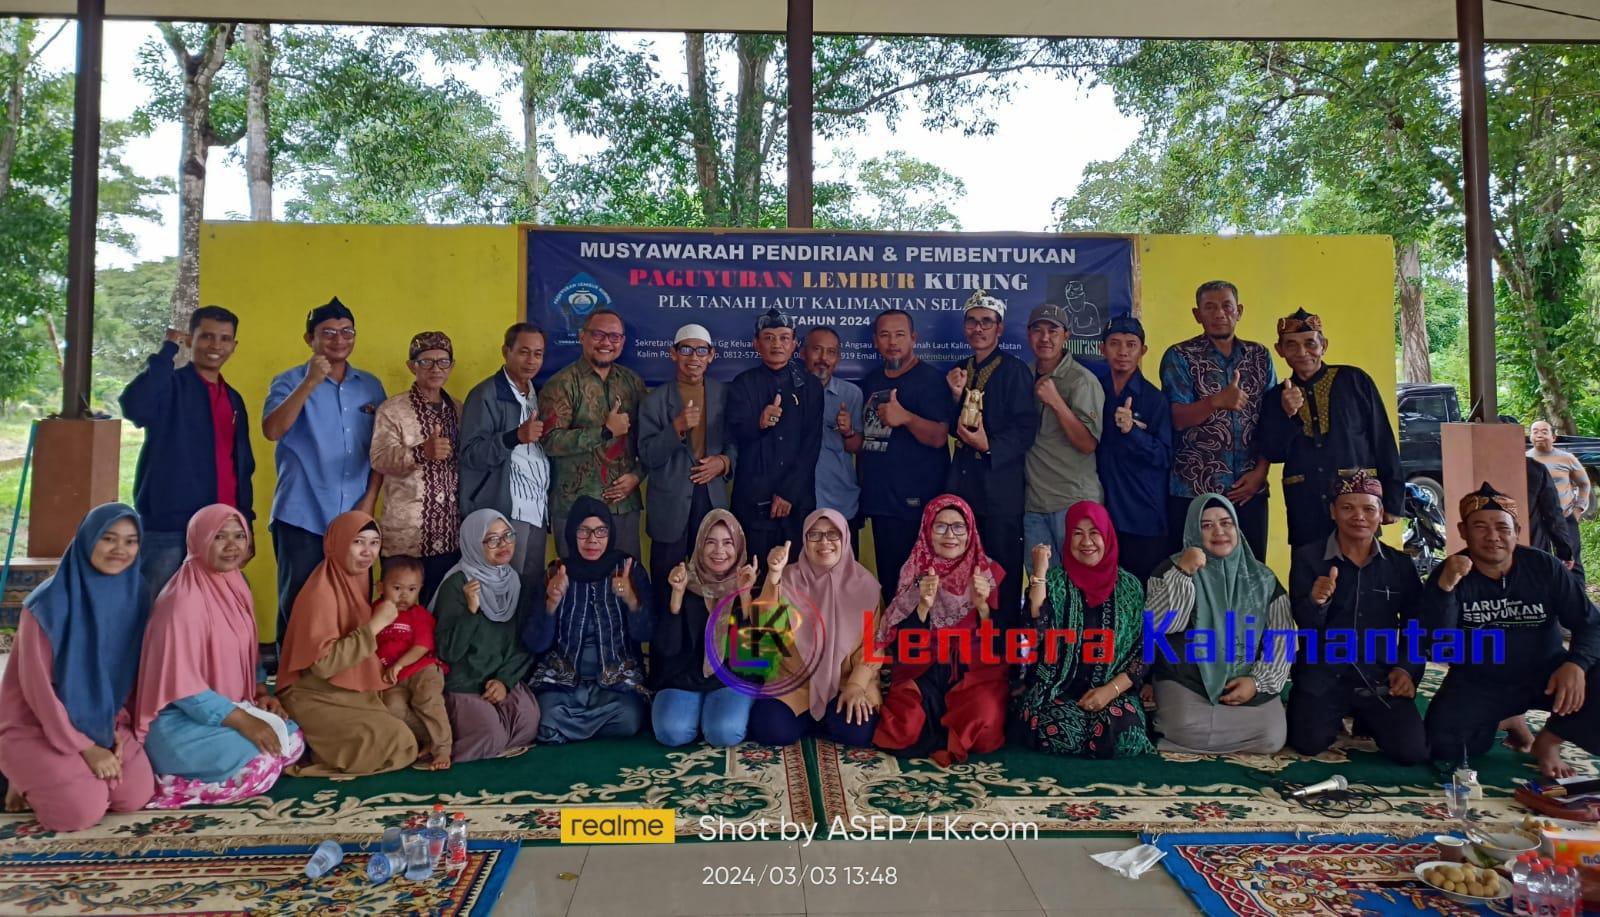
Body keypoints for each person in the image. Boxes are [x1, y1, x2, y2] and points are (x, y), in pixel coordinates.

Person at [1422, 483, 1600, 779]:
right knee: (1444, 745)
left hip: (1547, 675)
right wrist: (1446, 589)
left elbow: (1590, 622)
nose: (1493, 537)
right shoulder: (1450, 571)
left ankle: (1549, 740)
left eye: (1502, 528)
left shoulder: (1545, 567)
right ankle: (1510, 720)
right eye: (1480, 527)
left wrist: (1576, 664)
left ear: (1516, 530)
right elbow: (1438, 646)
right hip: (1480, 681)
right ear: (1463, 531)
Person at [135, 504, 305, 806]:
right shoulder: (182, 601)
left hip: (226, 709)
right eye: (219, 537)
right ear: (199, 540)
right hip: (177, 720)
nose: (232, 546)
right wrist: (242, 720)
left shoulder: (235, 583)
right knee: (262, 760)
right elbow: (183, 688)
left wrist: (259, 691)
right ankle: (176, 785)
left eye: (239, 536)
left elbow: (248, 649)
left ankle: (225, 768)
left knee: (291, 737)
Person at [0, 504, 155, 831]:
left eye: (130, 541)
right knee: (80, 812)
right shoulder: (48, 603)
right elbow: (38, 694)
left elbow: (131, 674)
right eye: (108, 539)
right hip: (39, 726)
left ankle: (39, 777)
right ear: (87, 540)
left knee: (134, 795)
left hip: (106, 721)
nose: (120, 550)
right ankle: (14, 769)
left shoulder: (137, 593)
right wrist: (85, 748)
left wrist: (114, 729)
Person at [262, 298, 386, 650]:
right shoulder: (288, 381)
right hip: (302, 515)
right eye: (328, 333)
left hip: (355, 517)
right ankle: (290, 690)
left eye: (347, 332)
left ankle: (346, 685)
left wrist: (369, 501)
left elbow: (380, 450)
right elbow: (272, 430)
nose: (338, 339)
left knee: (354, 606)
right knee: (300, 605)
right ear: (309, 339)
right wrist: (309, 383)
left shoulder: (370, 386)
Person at [1285, 473, 1428, 765]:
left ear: (1380, 514)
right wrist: (1316, 602)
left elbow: (1416, 624)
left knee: (1412, 752)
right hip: (1325, 674)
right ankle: (1337, 714)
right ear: (1333, 512)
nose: (1358, 516)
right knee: (1307, 743)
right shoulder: (1309, 559)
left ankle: (1366, 716)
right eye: (1348, 508)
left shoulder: (1399, 565)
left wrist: (1405, 668)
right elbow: (1304, 624)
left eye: (1368, 509)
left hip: (1379, 675)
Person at [120, 307, 256, 605]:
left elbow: (242, 467)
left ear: (234, 345)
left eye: (224, 338)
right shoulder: (171, 386)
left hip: (222, 528)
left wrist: (245, 522)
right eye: (206, 336)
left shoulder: (233, 399)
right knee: (154, 611)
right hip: (170, 527)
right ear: (190, 340)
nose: (215, 346)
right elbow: (135, 407)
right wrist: (166, 352)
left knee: (215, 613)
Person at [1144, 494, 1291, 754]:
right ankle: (1189, 731)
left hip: (1246, 681)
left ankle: (1182, 737)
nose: (1219, 532)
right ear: (1193, 530)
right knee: (1183, 724)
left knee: (1272, 737)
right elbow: (1161, 627)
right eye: (1206, 525)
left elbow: (1282, 639)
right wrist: (1183, 574)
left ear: (1237, 527)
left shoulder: (1263, 579)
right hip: (1187, 681)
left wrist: (1256, 683)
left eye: (1226, 523)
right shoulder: (1169, 569)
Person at [275, 512, 417, 776]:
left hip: (343, 688)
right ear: (337, 544)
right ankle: (311, 753)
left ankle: (319, 744)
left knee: (412, 724)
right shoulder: (321, 591)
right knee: (397, 742)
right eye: (358, 542)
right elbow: (322, 665)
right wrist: (375, 625)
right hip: (311, 692)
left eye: (374, 543)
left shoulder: (356, 579)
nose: (367, 552)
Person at [872, 495, 1007, 767]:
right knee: (902, 729)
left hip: (972, 671)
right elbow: (901, 646)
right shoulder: (914, 571)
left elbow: (999, 644)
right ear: (927, 530)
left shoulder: (987, 572)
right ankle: (937, 724)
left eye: (958, 527)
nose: (950, 535)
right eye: (940, 526)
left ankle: (951, 725)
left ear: (970, 532)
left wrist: (982, 608)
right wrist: (923, 606)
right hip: (923, 670)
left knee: (984, 728)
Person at [1013, 501, 1154, 758]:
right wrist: (1040, 573)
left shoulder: (1130, 587)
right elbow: (1035, 630)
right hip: (1057, 690)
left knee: (1124, 737)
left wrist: (1109, 691)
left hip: (1113, 691)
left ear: (1107, 536)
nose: (1086, 541)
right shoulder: (1054, 581)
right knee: (1061, 736)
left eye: (1095, 533)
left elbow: (1144, 652)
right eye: (1077, 533)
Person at [1259, 309, 1403, 550]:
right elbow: (1274, 452)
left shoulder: (1354, 380)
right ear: (1279, 350)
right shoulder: (1276, 397)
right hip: (1306, 506)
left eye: (1310, 343)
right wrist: (1287, 414)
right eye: (1292, 345)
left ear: (1323, 345)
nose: (1302, 352)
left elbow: (1383, 440)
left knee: (1362, 575)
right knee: (1310, 579)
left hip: (1357, 503)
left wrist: (1393, 500)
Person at [746, 509, 882, 747]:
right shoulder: (787, 578)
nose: (824, 542)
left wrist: (856, 685)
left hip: (844, 682)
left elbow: (873, 647)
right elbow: (763, 632)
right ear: (804, 540)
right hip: (794, 684)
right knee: (769, 730)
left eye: (833, 534)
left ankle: (815, 721)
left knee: (859, 732)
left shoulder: (866, 586)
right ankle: (814, 720)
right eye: (815, 535)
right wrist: (774, 577)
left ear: (845, 538)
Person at [1160, 281, 1275, 562]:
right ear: (1197, 314)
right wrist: (1214, 402)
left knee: (1250, 573)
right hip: (1194, 491)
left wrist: (1261, 472)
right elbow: (1176, 418)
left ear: (1239, 311)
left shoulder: (1259, 356)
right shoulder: (1179, 356)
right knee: (1195, 577)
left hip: (1249, 490)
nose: (1219, 313)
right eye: (1209, 307)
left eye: (1227, 306)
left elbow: (1272, 422)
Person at [945, 291, 1040, 626]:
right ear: (964, 327)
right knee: (960, 570)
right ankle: (966, 658)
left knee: (1002, 573)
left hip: (1001, 491)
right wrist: (956, 397)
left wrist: (990, 446)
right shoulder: (958, 371)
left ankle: (1004, 661)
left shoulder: (1014, 371)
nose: (978, 328)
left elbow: (1026, 427)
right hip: (963, 488)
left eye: (987, 322)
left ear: (999, 329)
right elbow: (954, 425)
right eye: (972, 321)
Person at [526, 497, 653, 743]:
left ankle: (569, 729)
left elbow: (646, 633)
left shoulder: (628, 569)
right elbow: (535, 643)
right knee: (544, 715)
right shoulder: (556, 572)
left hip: (615, 684)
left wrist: (631, 599)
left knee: (630, 719)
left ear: (610, 533)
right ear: (572, 533)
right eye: (583, 531)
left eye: (600, 531)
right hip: (563, 683)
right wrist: (551, 602)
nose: (592, 540)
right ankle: (586, 725)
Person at [638, 323, 735, 614]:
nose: (694, 357)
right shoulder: (654, 400)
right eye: (686, 350)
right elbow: (648, 455)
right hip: (670, 503)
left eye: (701, 350)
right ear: (673, 353)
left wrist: (724, 462)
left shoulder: (725, 395)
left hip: (711, 497)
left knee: (714, 578)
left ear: (711, 355)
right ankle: (667, 656)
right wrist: (676, 428)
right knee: (668, 582)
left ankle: (707, 653)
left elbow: (738, 442)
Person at [459, 323, 553, 625]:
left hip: (536, 510)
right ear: (506, 351)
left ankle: (519, 664)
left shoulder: (538, 393)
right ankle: (499, 664)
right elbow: (471, 454)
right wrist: (515, 436)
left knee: (528, 590)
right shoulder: (485, 394)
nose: (531, 361)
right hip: (505, 510)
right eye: (523, 352)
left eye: (538, 354)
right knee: (501, 595)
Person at [433, 510, 542, 762]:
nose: (503, 545)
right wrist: (471, 612)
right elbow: (448, 651)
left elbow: (524, 643)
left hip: (500, 677)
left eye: (507, 536)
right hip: (465, 681)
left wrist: (504, 681)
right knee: (491, 736)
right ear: (473, 543)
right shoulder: (457, 584)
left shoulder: (515, 583)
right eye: (492, 540)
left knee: (528, 724)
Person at [859, 310, 951, 605]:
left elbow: (939, 437)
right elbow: (867, 439)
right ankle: (897, 649)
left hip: (919, 506)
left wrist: (906, 418)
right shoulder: (871, 381)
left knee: (923, 589)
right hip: (882, 502)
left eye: (900, 335)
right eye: (885, 335)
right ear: (875, 341)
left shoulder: (930, 380)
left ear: (914, 338)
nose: (892, 342)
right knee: (891, 584)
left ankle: (920, 650)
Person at [540, 309, 648, 560]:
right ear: (582, 337)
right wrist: (604, 432)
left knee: (625, 583)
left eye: (614, 337)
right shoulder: (562, 384)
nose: (606, 342)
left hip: (623, 504)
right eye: (598, 334)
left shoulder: (632, 383)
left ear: (622, 342)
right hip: (574, 506)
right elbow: (549, 441)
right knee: (577, 585)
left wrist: (637, 476)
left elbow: (649, 441)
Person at [651, 510, 758, 747]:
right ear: (699, 544)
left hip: (733, 680)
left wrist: (745, 596)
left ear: (739, 545)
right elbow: (665, 649)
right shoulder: (679, 580)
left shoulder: (751, 582)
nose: (719, 551)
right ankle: (698, 712)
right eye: (710, 542)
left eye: (728, 543)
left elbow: (755, 663)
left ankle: (713, 713)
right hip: (683, 678)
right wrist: (677, 596)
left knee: (724, 733)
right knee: (672, 732)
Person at [726, 309, 824, 563]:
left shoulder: (810, 385)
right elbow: (735, 434)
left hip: (796, 501)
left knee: (795, 581)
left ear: (794, 343)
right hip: (754, 502)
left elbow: (811, 445)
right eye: (768, 337)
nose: (776, 344)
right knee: (752, 577)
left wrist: (789, 492)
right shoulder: (742, 384)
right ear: (756, 344)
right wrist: (758, 423)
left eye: (783, 337)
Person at [371, 331, 463, 600]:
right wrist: (421, 452)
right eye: (426, 362)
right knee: (401, 613)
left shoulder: (459, 410)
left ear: (451, 366)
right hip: (405, 538)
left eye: (443, 362)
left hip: (449, 534)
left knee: (440, 610)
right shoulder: (392, 410)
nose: (436, 368)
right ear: (411, 366)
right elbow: (379, 458)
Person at [1023, 303, 1104, 564]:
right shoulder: (1022, 374)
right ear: (1028, 334)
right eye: (1038, 330)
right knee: (1043, 589)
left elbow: (1087, 443)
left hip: (1073, 502)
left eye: (1053, 330)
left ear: (1066, 335)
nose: (1045, 338)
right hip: (1033, 505)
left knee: (1079, 587)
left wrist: (1057, 401)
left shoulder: (1081, 380)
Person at [1095, 316, 1173, 582]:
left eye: (1131, 344)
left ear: (1143, 350)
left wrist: (1133, 432)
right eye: (1115, 344)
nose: (1123, 352)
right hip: (1103, 513)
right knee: (1106, 594)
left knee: (1144, 596)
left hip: (1143, 515)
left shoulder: (1154, 399)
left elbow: (1164, 456)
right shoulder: (1093, 391)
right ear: (1102, 349)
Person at [372, 555, 452, 770]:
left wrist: (398, 665)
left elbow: (422, 646)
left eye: (412, 589)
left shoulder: (418, 615)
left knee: (427, 699)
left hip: (422, 668)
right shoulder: (373, 613)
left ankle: (443, 747)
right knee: (392, 707)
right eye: (397, 588)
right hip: (392, 678)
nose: (404, 596)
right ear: (380, 587)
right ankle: (426, 737)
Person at [803, 327, 864, 537]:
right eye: (817, 350)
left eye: (831, 352)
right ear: (802, 353)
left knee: (844, 569)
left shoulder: (851, 394)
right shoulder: (787, 392)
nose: (823, 358)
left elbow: (857, 447)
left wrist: (848, 432)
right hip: (796, 503)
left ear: (838, 358)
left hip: (840, 500)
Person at [1529, 419, 1591, 578]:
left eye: (1544, 431)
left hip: (1564, 517)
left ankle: (1577, 599)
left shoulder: (1566, 458)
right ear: (1530, 437)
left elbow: (1584, 485)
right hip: (1537, 521)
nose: (1539, 435)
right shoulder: (1525, 460)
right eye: (1535, 431)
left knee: (1572, 562)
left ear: (1553, 437)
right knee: (1541, 560)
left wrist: (1578, 510)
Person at [1527, 456, 1580, 566]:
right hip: (1534, 546)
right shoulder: (1534, 468)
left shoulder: (1483, 464)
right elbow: (1552, 514)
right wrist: (1565, 552)